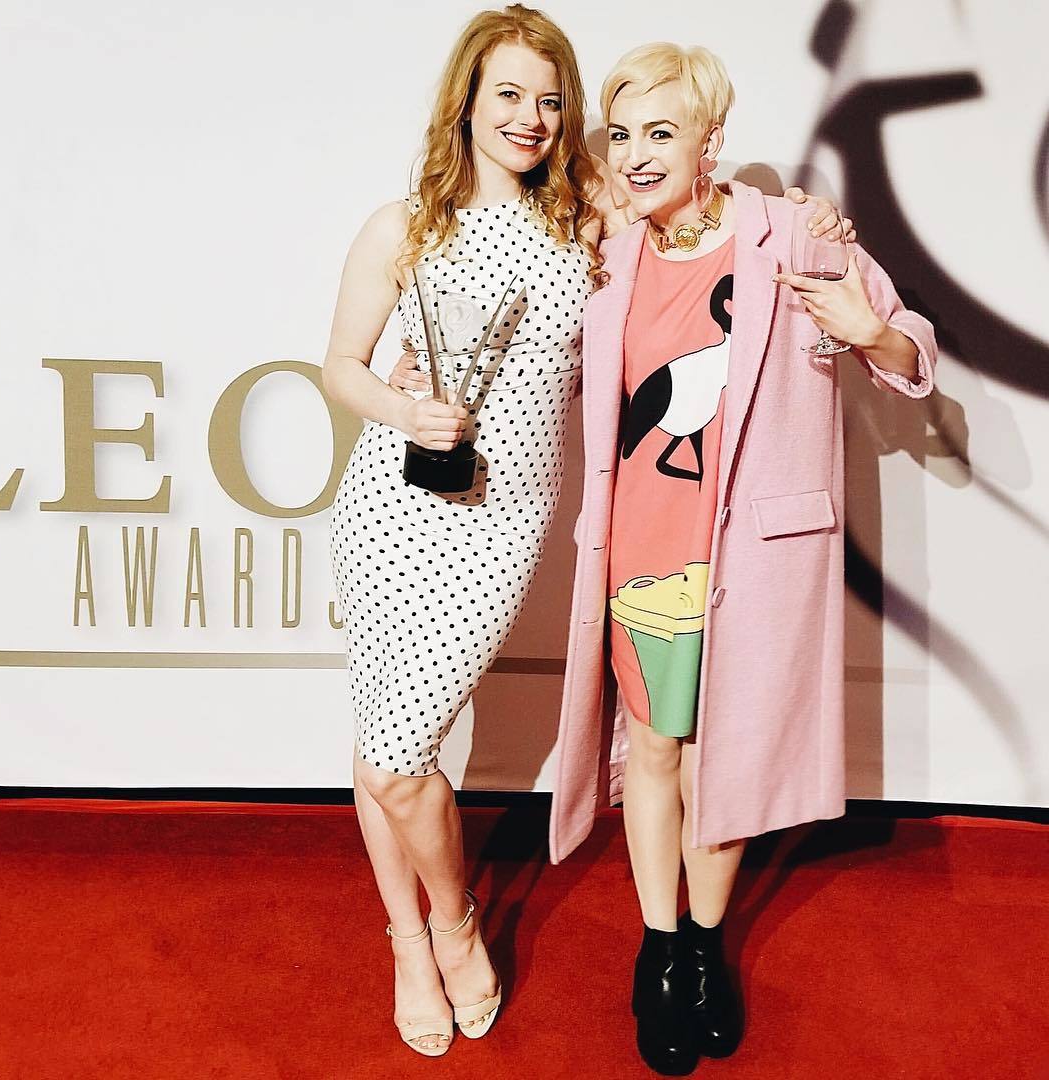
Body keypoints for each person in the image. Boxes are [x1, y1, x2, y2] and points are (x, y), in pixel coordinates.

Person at [334, 3, 848, 1058]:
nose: (528, 116)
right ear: (466, 102)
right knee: (385, 746)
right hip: (391, 505)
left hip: (501, 523)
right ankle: (417, 940)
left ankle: (452, 921)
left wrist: (808, 215)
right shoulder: (403, 226)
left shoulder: (589, 217)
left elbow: (704, 208)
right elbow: (340, 365)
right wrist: (402, 408)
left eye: (548, 99)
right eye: (507, 94)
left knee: (397, 751)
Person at [547, 42, 937, 1075]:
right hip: (640, 552)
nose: (637, 155)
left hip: (756, 564)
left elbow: (911, 354)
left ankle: (704, 948)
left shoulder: (794, 234)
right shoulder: (606, 258)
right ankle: (658, 944)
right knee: (655, 749)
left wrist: (870, 332)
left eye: (661, 132)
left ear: (710, 141)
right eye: (622, 136)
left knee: (722, 752)